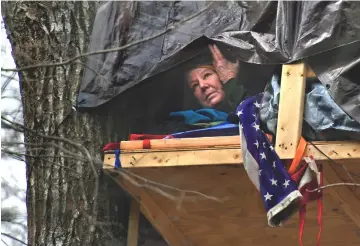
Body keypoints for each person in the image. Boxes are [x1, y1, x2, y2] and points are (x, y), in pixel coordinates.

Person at [186, 44, 248, 112]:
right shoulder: (187, 120)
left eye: (207, 75)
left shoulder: (258, 103)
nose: (202, 85)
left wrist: (230, 80)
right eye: (195, 85)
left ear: (221, 75)